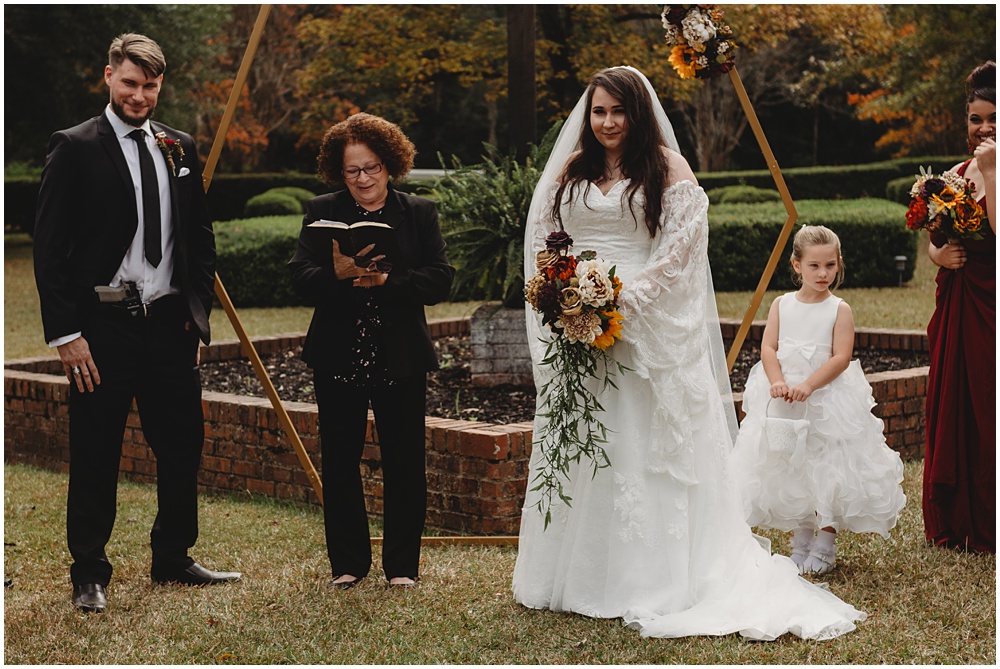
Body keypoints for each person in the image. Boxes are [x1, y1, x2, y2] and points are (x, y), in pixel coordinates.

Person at [513, 66, 865, 640]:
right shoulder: (570, 170)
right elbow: (543, 237)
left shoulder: (668, 168)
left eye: (618, 111)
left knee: (643, 443)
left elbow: (680, 248)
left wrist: (622, 299)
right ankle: (577, 576)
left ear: (639, 113)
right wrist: (565, 294)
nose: (607, 122)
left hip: (639, 323)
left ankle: (652, 577)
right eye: (598, 111)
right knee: (586, 440)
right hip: (579, 324)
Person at [33, 33, 240, 614]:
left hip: (169, 325)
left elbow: (200, 240)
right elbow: (49, 252)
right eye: (130, 83)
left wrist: (195, 317)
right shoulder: (74, 147)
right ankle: (89, 572)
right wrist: (66, 335)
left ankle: (173, 556)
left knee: (183, 446)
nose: (140, 96)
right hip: (102, 326)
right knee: (97, 448)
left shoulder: (180, 146)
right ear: (108, 77)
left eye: (150, 86)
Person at [288, 113, 455, 589]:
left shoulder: (418, 212)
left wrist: (390, 281)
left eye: (372, 168)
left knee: (404, 461)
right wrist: (339, 276)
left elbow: (441, 278)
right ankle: (348, 564)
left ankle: (401, 567)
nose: (362, 179)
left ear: (390, 164)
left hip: (399, 352)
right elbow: (299, 274)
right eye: (352, 171)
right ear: (337, 173)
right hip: (339, 351)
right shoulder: (322, 209)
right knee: (340, 460)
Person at [729, 225, 906, 575]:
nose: (823, 273)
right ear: (797, 266)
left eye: (830, 265)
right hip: (785, 397)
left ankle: (825, 543)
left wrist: (809, 385)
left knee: (826, 465)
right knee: (793, 464)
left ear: (838, 263)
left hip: (826, 397)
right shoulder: (782, 304)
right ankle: (802, 540)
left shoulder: (839, 309)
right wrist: (777, 380)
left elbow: (841, 357)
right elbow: (768, 346)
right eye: (814, 266)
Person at [923, 61, 996, 554]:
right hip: (959, 300)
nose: (984, 128)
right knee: (958, 402)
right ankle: (961, 515)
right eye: (976, 119)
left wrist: (992, 171)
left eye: (995, 118)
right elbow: (936, 237)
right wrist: (939, 255)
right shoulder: (952, 175)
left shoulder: (989, 169)